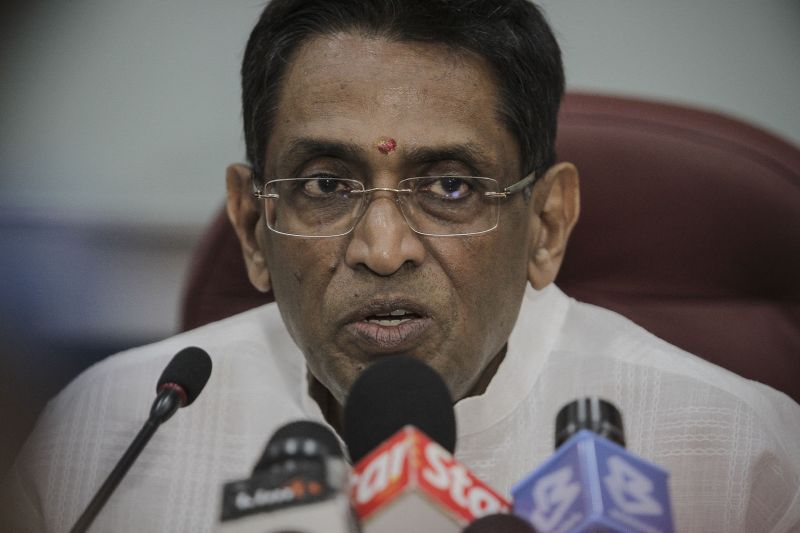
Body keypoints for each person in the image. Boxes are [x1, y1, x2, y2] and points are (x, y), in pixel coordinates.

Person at [3, 1, 799, 531]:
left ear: (547, 225)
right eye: (324, 184)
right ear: (252, 224)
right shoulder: (104, 438)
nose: (383, 250)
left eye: (450, 186)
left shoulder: (739, 455)